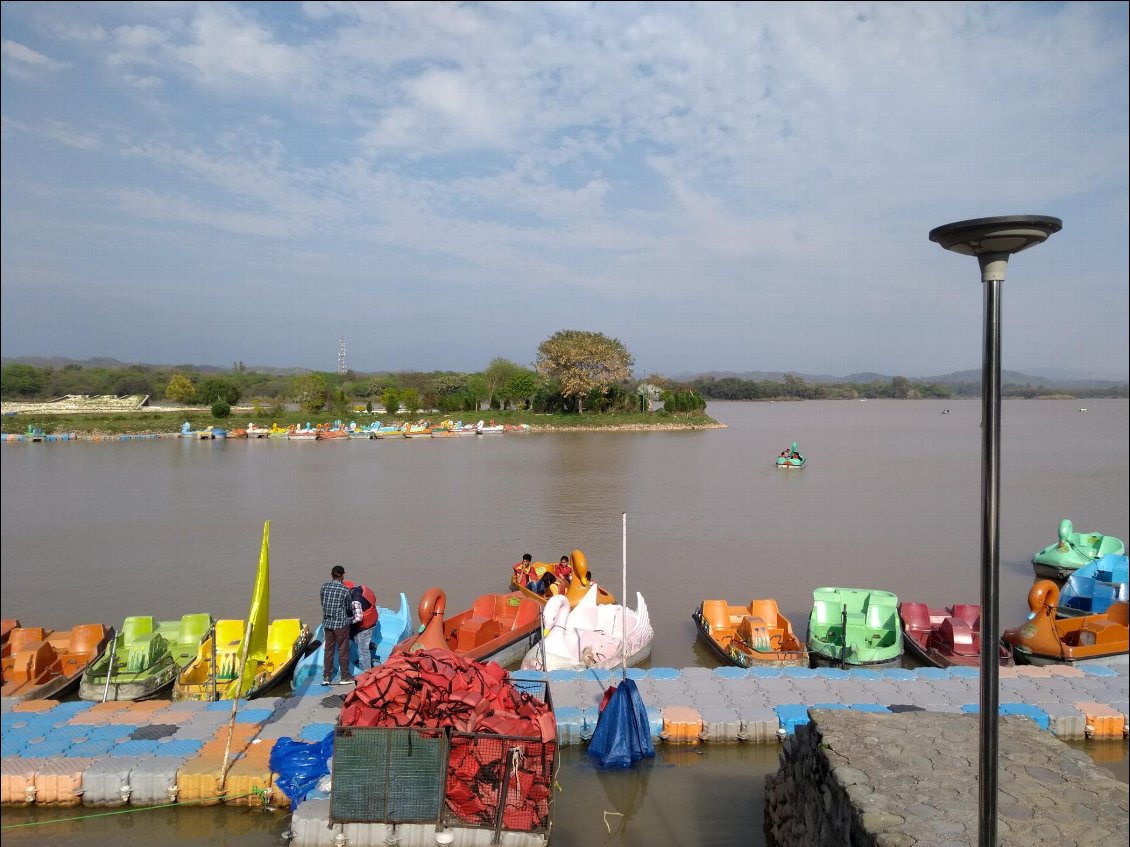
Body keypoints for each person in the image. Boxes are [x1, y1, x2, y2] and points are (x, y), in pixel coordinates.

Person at [319, 565, 354, 685]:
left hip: (328, 624)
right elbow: (349, 608)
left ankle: (326, 677)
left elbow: (323, 603)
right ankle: (345, 676)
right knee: (343, 650)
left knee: (328, 651)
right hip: (341, 625)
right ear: (342, 575)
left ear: (332, 575)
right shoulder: (345, 590)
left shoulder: (324, 587)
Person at [345, 580, 379, 673]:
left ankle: (367, 672)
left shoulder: (355, 601)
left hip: (365, 626)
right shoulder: (360, 589)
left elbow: (358, 618)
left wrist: (346, 621)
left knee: (363, 651)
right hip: (373, 618)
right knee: (354, 637)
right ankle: (370, 645)